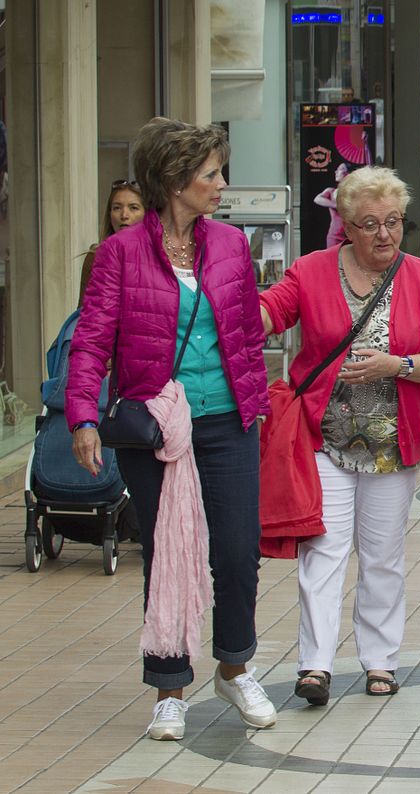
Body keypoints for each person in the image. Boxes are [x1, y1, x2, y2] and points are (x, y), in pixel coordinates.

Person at [68, 117, 272, 740]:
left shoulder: (232, 246)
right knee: (166, 555)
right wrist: (81, 416)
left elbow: (247, 335)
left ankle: (234, 668)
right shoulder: (119, 253)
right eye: (210, 174)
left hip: (226, 421)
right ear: (176, 179)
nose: (221, 183)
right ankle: (169, 689)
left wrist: (259, 403)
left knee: (237, 552)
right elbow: (91, 340)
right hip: (156, 427)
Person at [260, 167, 420, 704]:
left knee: (382, 556)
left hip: (394, 443)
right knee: (323, 551)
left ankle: (379, 661)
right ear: (346, 226)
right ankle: (315, 665)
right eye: (370, 224)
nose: (384, 235)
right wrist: (235, 309)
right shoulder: (311, 270)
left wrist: (396, 364)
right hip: (324, 438)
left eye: (393, 222)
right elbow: (271, 311)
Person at [81, 179, 146, 299]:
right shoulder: (95, 257)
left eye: (133, 208)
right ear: (109, 214)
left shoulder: (161, 257)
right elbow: (83, 311)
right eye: (117, 208)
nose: (124, 215)